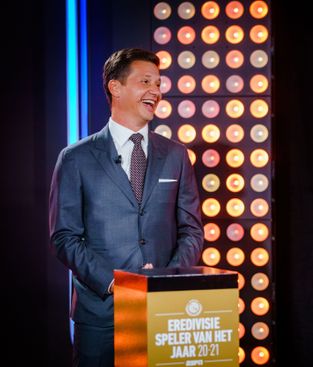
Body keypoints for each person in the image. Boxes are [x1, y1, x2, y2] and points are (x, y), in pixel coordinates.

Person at [49, 48, 204, 367]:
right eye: (145, 81)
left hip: (165, 312)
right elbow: (64, 237)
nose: (156, 91)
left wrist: (166, 278)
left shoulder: (176, 155)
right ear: (114, 87)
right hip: (102, 315)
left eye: (159, 83)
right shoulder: (75, 158)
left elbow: (191, 230)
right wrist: (116, 282)